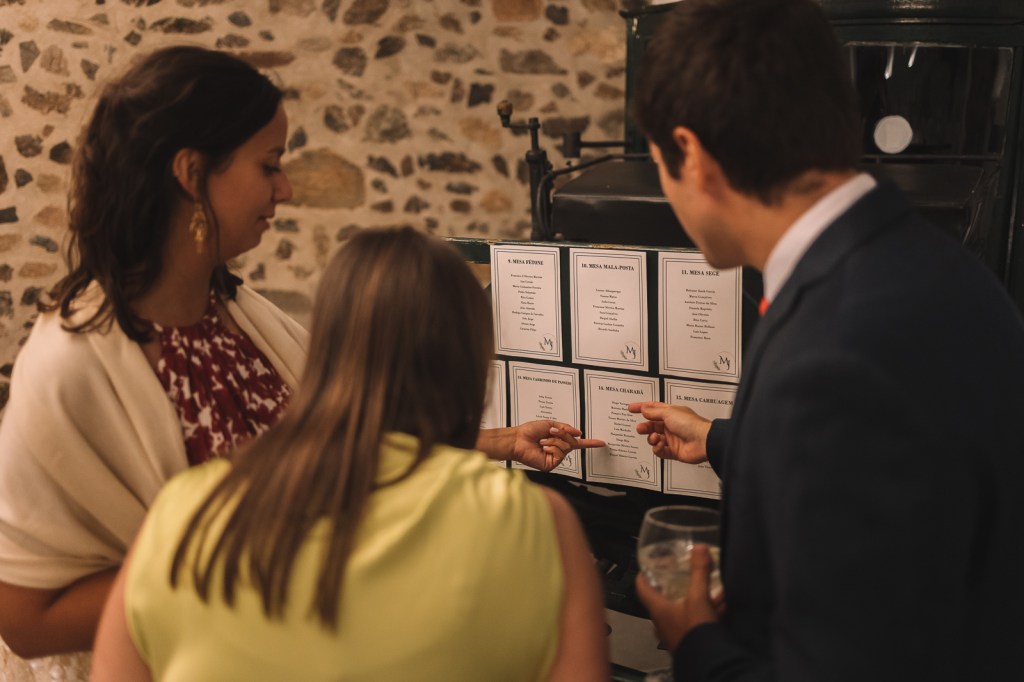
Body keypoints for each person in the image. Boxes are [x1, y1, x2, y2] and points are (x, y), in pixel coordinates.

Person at [0, 46, 599, 676]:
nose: (284, 189)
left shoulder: (238, 314)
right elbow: (24, 620)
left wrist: (497, 442)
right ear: (191, 172)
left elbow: (337, 448)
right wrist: (241, 570)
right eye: (269, 165)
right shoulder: (71, 364)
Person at [625, 0, 1024, 680]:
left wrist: (696, 644)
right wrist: (721, 440)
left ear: (691, 155)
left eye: (660, 164)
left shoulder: (834, 356)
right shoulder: (930, 264)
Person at [89, 226, 609, 681]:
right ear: (473, 360)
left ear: (325, 348)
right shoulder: (533, 522)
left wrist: (501, 441)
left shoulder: (183, 510)